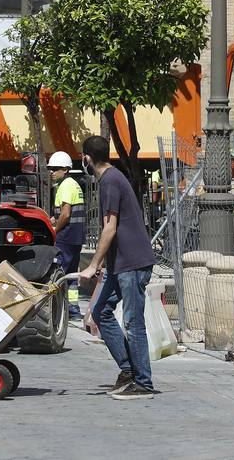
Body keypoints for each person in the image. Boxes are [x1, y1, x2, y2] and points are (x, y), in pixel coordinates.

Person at [80, 135, 157, 401]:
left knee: (133, 323)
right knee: (100, 311)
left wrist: (93, 265)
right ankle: (128, 370)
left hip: (133, 263)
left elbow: (109, 228)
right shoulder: (109, 180)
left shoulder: (110, 181)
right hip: (120, 263)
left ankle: (143, 382)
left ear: (87, 159)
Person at [46, 150, 85, 321]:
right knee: (71, 276)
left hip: (66, 237)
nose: (51, 172)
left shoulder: (66, 185)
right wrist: (52, 219)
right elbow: (63, 213)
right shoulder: (73, 184)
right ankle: (74, 310)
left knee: (58, 273)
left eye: (55, 168)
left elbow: (66, 214)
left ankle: (55, 309)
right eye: (50, 168)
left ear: (65, 169)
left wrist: (55, 230)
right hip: (76, 237)